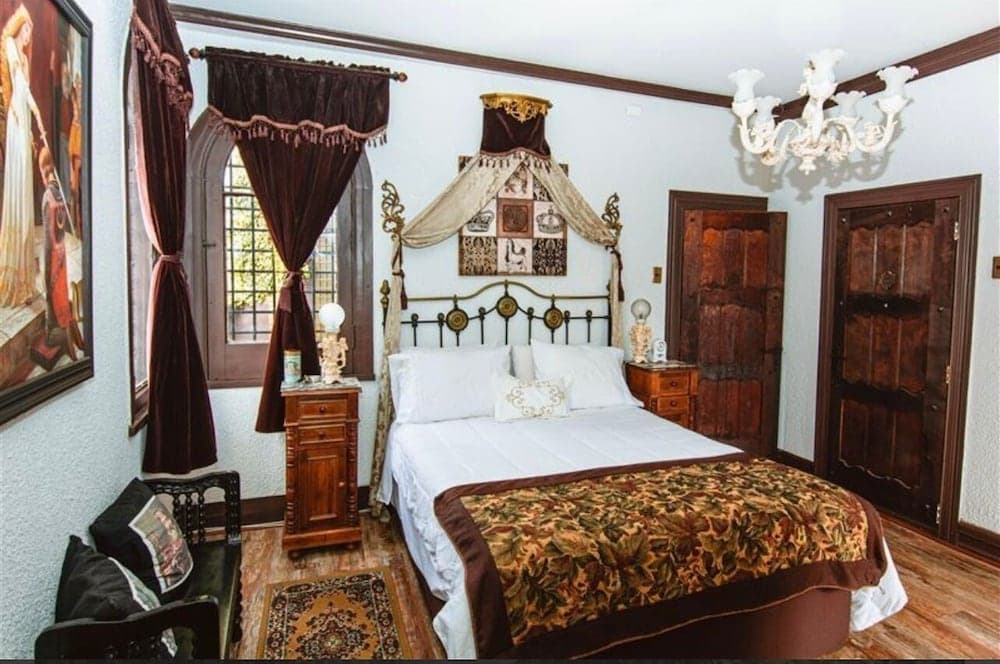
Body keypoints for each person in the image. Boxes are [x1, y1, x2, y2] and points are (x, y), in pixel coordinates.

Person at [0, 4, 44, 307]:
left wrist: (35, 121)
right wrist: (36, 116)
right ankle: (13, 273)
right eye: (27, 29)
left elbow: (26, 90)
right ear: (21, 27)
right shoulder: (11, 47)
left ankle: (24, 275)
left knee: (24, 192)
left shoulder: (24, 57)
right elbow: (22, 93)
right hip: (17, 121)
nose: (29, 35)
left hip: (23, 123)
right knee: (17, 190)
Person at [39, 146, 83, 359]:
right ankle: (68, 334)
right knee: (60, 294)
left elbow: (50, 235)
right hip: (61, 250)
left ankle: (60, 336)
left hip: (53, 253)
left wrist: (48, 264)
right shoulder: (58, 193)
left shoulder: (48, 196)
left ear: (44, 169)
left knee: (53, 294)